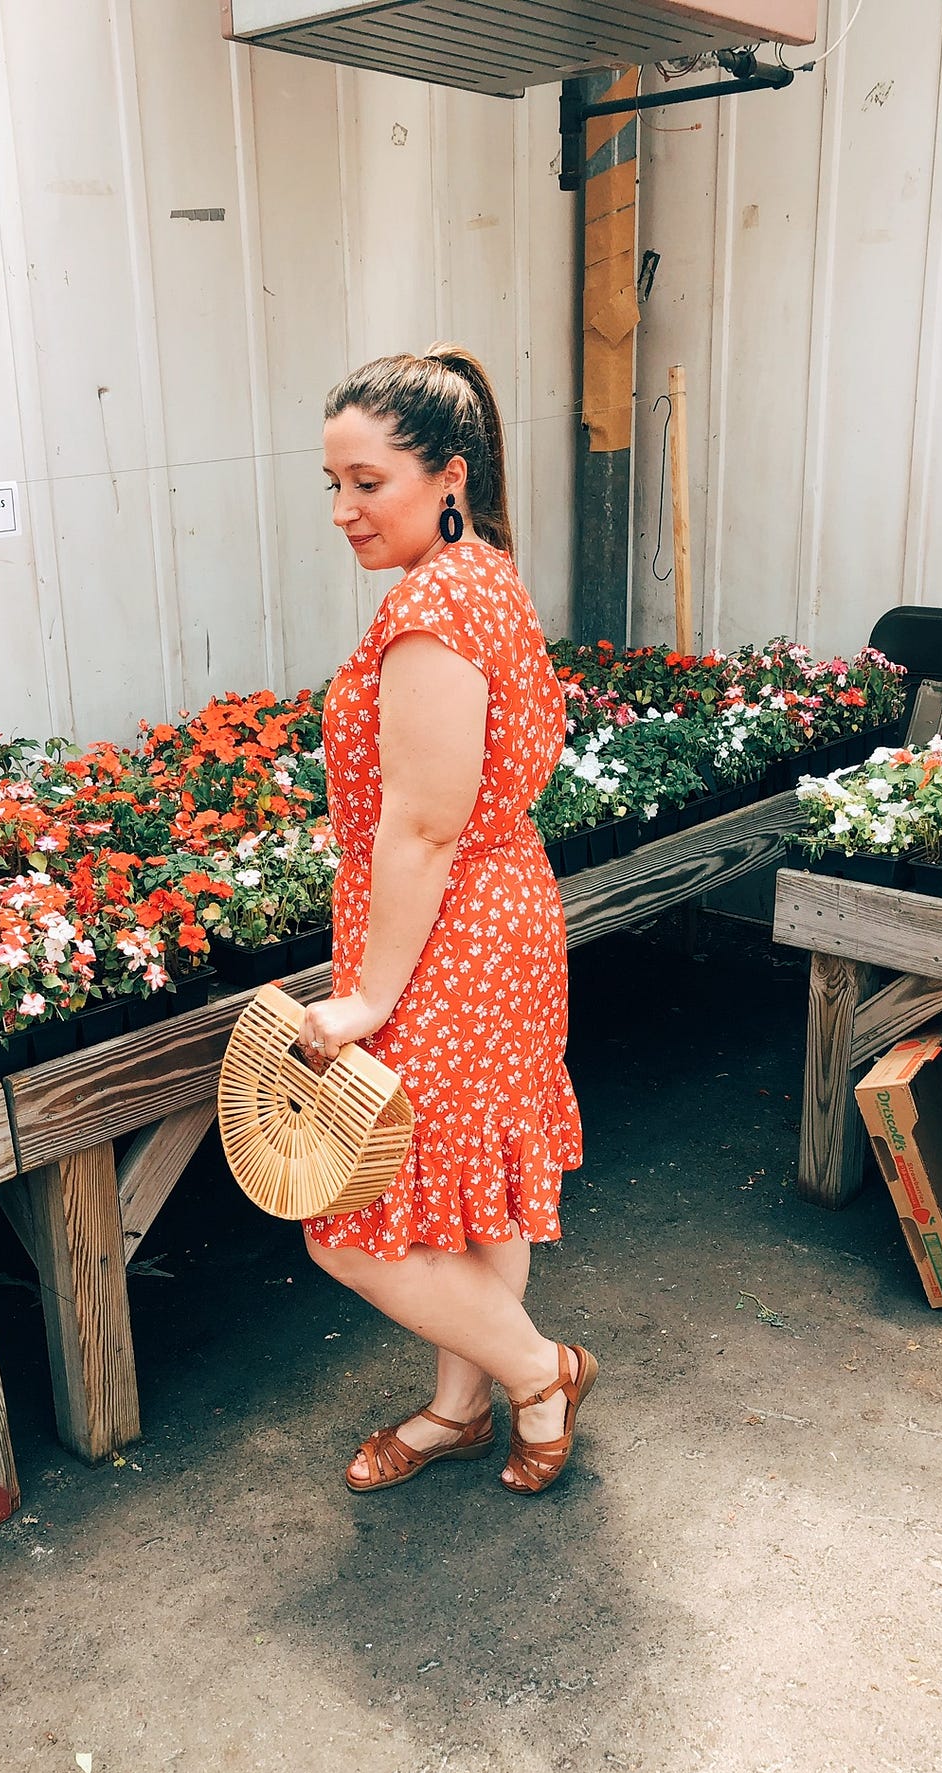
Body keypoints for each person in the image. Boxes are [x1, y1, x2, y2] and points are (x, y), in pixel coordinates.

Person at [299, 343, 595, 1496]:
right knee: (470, 1189)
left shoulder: (429, 615)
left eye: (367, 483)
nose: (343, 510)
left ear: (449, 475)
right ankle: (459, 1409)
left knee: (350, 1218)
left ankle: (537, 1372)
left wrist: (369, 992)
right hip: (496, 914)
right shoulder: (485, 577)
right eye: (333, 484)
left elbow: (419, 828)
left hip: (444, 939)